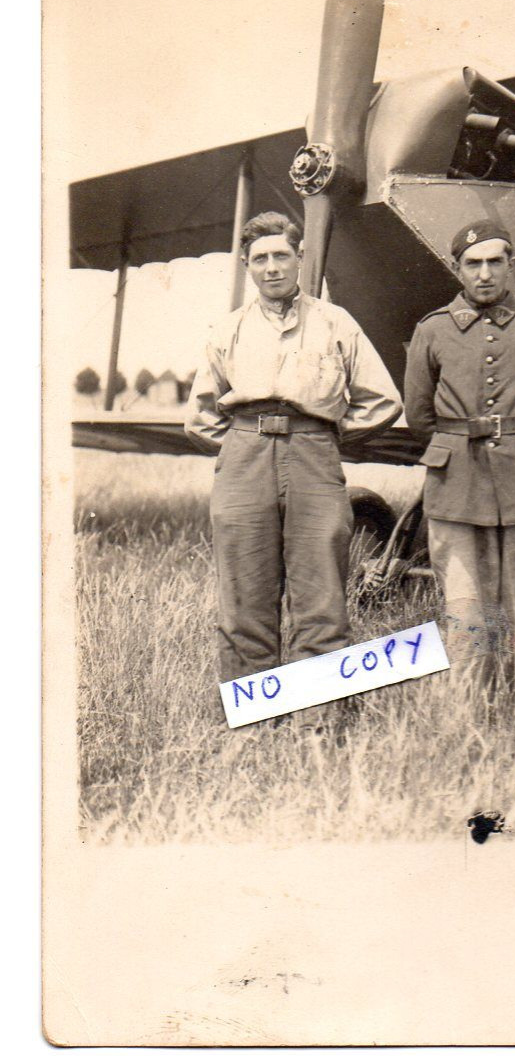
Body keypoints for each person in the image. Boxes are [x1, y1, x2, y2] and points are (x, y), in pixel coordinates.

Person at [185, 211, 401, 699]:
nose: (272, 267)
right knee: (244, 598)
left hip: (314, 460)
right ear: (247, 266)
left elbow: (383, 401)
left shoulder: (335, 323)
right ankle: (253, 718)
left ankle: (319, 722)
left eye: (281, 255)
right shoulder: (229, 330)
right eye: (259, 259)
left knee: (321, 595)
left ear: (301, 257)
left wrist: (323, 436)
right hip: (244, 461)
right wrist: (247, 444)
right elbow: (199, 417)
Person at [404, 220, 515, 739]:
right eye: (472, 264)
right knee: (464, 616)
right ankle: (469, 724)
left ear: (510, 266)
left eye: (494, 262)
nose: (484, 274)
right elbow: (419, 414)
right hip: (456, 489)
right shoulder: (432, 329)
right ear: (457, 269)